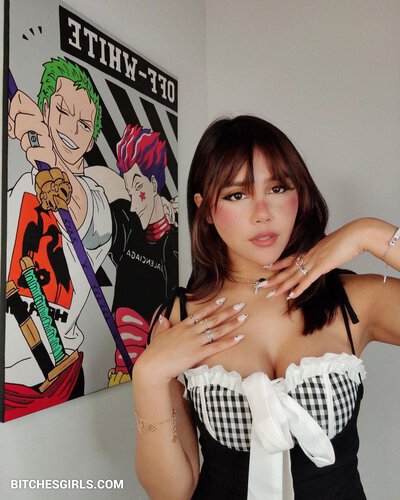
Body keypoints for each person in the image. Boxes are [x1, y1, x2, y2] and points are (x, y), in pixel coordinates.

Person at [131, 115, 400, 499]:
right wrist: (148, 376)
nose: (262, 212)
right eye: (236, 195)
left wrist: (368, 233)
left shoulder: (353, 300)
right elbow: (171, 493)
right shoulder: (181, 317)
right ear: (205, 209)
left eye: (277, 188)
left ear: (298, 195)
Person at [6, 57, 111, 416]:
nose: (71, 129)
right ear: (45, 110)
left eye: (84, 125)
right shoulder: (15, 194)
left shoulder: (95, 199)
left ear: (91, 141)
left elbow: (82, 211)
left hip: (58, 385)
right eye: (63, 111)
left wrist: (54, 165)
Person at [106, 124, 179, 386]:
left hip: (154, 374)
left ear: (154, 184)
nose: (134, 203)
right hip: (122, 372)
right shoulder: (126, 224)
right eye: (129, 190)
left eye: (137, 187)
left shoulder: (173, 247)